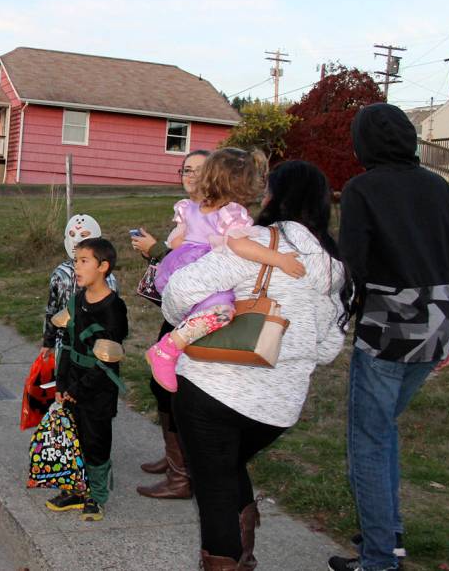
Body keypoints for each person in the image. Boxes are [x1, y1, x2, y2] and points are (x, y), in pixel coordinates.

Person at [163, 160, 350, 570]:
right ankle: (244, 554)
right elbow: (328, 347)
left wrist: (190, 322)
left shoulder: (252, 241)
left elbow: (179, 290)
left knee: (214, 487)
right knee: (228, 466)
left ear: (271, 198)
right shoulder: (334, 268)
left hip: (211, 390)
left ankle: (229, 558)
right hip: (276, 409)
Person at [328, 103, 449, 571]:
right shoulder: (439, 186)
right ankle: (388, 536)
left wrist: (334, 313)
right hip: (439, 322)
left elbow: (354, 266)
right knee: (383, 433)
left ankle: (379, 557)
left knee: (368, 440)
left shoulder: (364, 188)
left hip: (389, 328)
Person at [146, 148, 305, 392]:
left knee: (198, 313)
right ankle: (167, 349)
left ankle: (176, 347)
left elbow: (176, 242)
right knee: (222, 311)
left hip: (176, 266)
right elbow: (240, 245)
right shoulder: (231, 213)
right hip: (198, 267)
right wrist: (279, 259)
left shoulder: (191, 207)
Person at [131, 148, 210, 500]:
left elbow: (199, 268)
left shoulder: (219, 216)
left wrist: (159, 254)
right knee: (160, 386)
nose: (189, 176)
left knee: (176, 390)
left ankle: (182, 477)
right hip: (175, 313)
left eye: (197, 170)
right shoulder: (187, 210)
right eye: (185, 169)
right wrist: (155, 253)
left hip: (199, 318)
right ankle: (174, 458)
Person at [45, 237, 128, 522]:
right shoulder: (76, 300)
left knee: (95, 439)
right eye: (75, 261)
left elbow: (107, 361)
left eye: (84, 261)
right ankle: (77, 490)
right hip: (74, 382)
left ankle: (97, 496)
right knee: (74, 438)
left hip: (98, 387)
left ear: (103, 267)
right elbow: (67, 344)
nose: (76, 267)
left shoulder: (114, 308)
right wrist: (62, 384)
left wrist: (79, 389)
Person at [41, 214, 118, 367]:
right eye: (72, 235)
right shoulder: (61, 275)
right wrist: (48, 341)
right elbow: (53, 310)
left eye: (83, 235)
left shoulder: (107, 278)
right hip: (71, 345)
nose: (76, 240)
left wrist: (48, 341)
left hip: (92, 345)